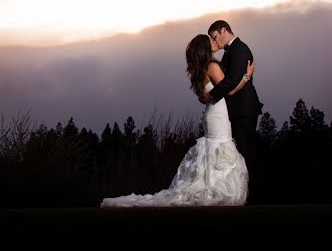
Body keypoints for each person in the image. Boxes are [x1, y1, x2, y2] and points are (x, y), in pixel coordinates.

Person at [100, 33, 254, 207]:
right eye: (211, 40)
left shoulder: (201, 70)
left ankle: (211, 186)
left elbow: (205, 97)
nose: (215, 41)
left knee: (214, 150)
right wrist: (247, 75)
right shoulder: (212, 66)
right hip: (218, 115)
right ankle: (213, 189)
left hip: (212, 113)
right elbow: (229, 90)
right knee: (219, 147)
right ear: (205, 47)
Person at [201, 20, 264, 200]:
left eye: (215, 37)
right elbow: (232, 81)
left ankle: (254, 196)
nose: (215, 42)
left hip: (244, 110)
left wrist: (211, 96)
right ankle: (244, 195)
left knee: (246, 152)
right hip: (236, 110)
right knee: (240, 153)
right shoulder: (231, 51)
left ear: (223, 30)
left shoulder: (239, 49)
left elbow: (231, 81)